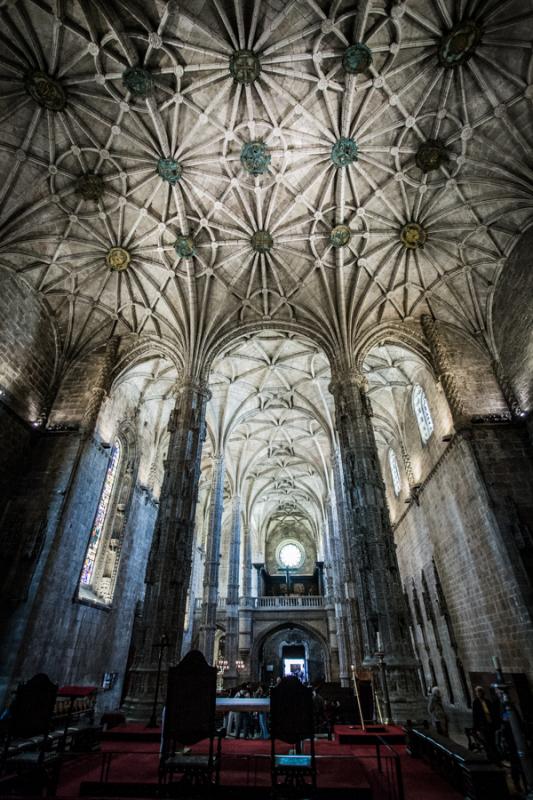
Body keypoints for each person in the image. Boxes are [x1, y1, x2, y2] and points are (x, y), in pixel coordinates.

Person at [472, 685, 499, 762]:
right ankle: (491, 758)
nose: (479, 694)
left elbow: (492, 713)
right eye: (477, 692)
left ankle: (496, 758)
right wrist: (476, 728)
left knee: (492, 742)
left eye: (480, 692)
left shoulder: (487, 701)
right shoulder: (476, 703)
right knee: (487, 742)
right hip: (482, 725)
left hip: (490, 724)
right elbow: (475, 715)